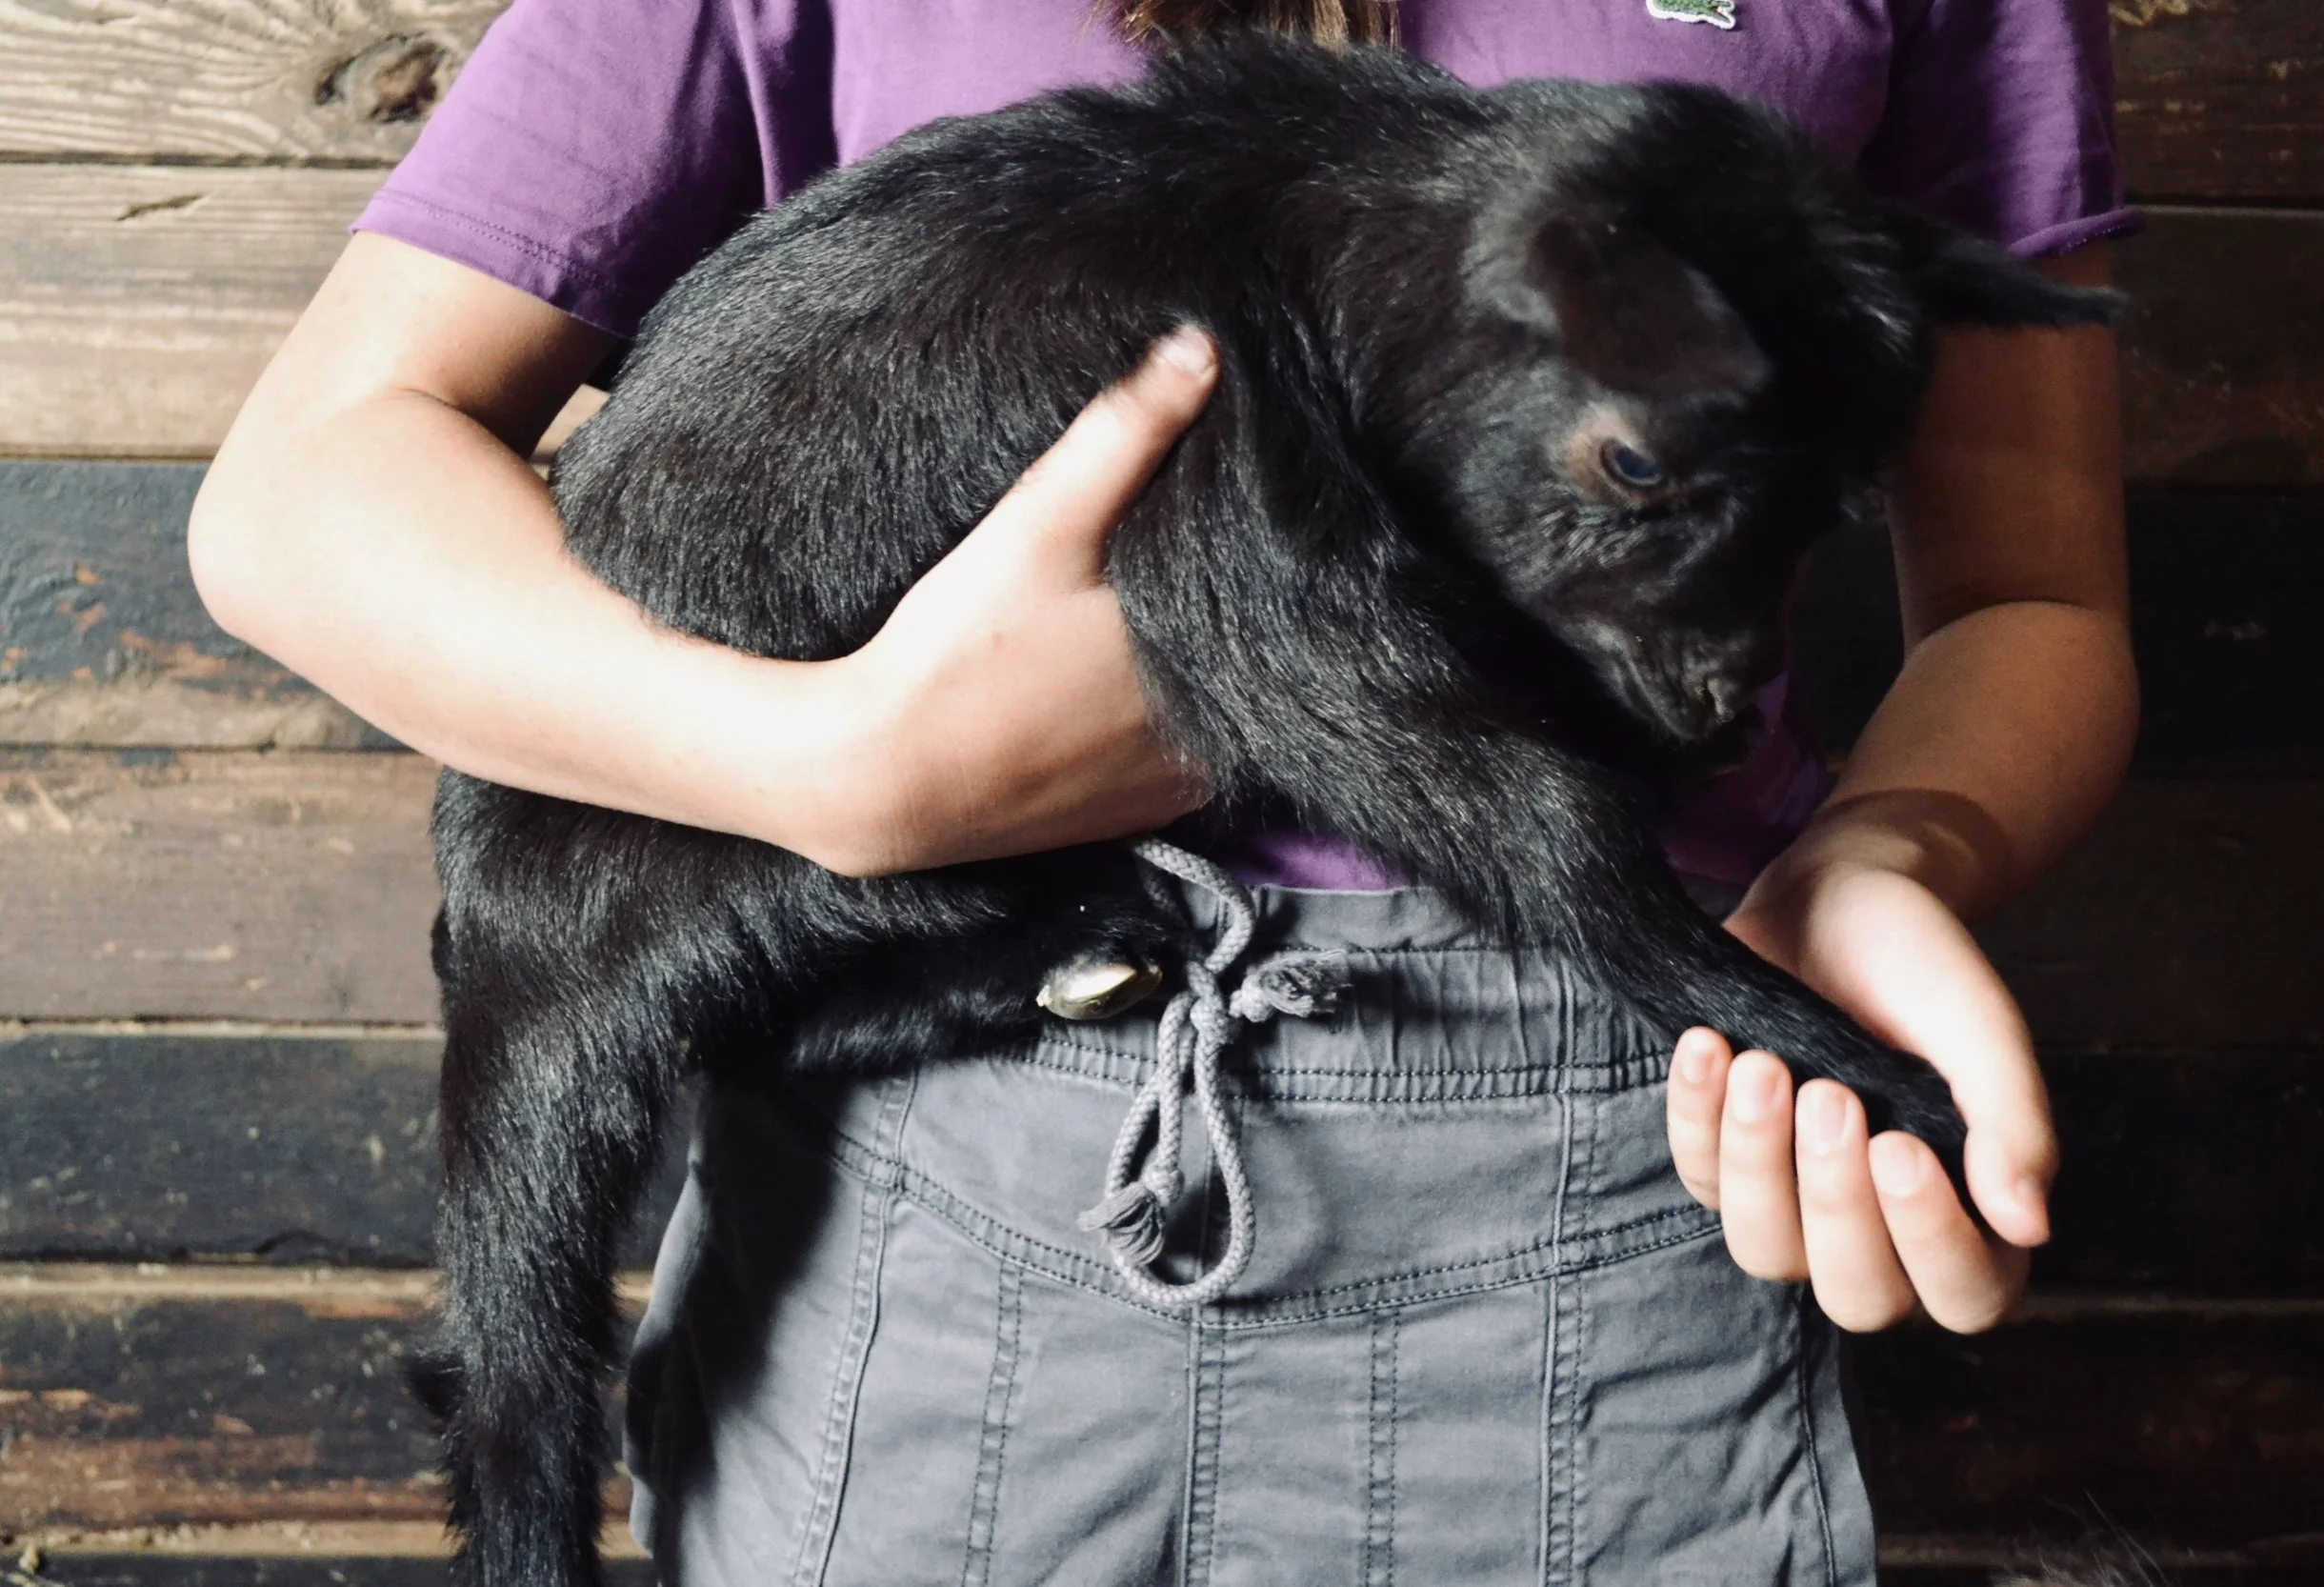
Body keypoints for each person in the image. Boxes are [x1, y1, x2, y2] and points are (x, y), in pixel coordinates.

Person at [188, 1, 2138, 1579]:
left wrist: (1884, 854)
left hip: (1621, 1149)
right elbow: (305, 495)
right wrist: (839, 767)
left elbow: (2027, 592)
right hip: (926, 1170)